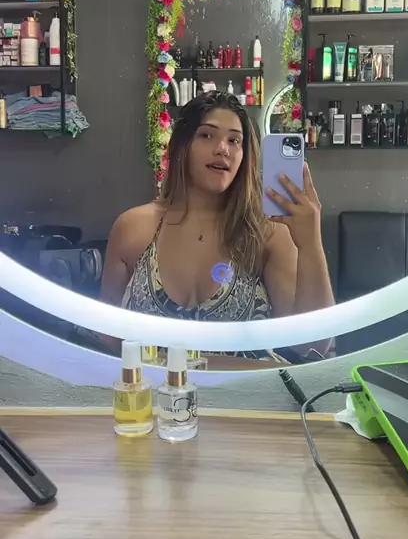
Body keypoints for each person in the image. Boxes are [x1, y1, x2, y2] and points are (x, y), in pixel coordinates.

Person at [101, 91, 334, 356]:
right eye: (207, 135)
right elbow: (108, 341)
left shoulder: (267, 234)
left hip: (247, 385)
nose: (223, 149)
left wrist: (310, 244)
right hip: (149, 384)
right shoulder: (133, 228)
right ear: (182, 146)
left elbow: (311, 346)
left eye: (234, 140)